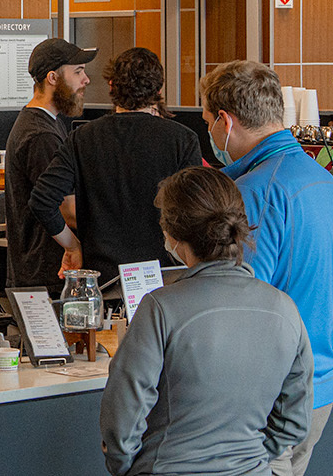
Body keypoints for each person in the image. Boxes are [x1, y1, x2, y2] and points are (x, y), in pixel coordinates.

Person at [100, 166, 312, 475]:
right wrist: (250, 460)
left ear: (172, 234)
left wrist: (128, 467)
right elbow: (294, 421)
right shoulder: (284, 309)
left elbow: (123, 418)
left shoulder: (160, 308)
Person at [200, 60, 333, 476]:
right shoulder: (325, 182)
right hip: (317, 386)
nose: (210, 132)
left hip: (266, 398)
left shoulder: (253, 192)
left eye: (208, 121)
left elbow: (239, 302)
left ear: (226, 121)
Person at [29, 47, 203, 285]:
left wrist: (73, 246)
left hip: (102, 279)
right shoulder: (182, 139)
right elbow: (196, 211)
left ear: (111, 86)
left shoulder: (82, 138)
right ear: (159, 90)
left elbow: (41, 200)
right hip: (163, 276)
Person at [4, 37, 95, 294]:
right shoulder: (41, 135)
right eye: (78, 72)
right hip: (46, 277)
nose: (85, 80)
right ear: (53, 78)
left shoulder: (44, 124)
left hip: (38, 274)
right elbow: (65, 209)